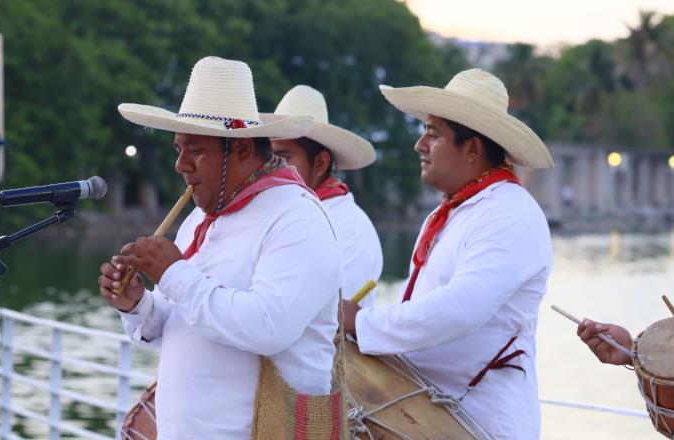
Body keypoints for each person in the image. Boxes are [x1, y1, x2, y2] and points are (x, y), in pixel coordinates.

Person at [98, 56, 341, 439]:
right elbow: (182, 322)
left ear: (242, 149)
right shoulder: (200, 217)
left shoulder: (297, 216)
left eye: (195, 150)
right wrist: (137, 303)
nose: (181, 165)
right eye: (178, 149)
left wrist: (173, 272)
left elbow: (268, 327)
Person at [341, 69, 556, 439]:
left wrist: (360, 323)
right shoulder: (456, 211)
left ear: (472, 149)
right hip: (424, 411)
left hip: (483, 424)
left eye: (433, 133)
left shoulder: (510, 214)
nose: (419, 145)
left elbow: (461, 308)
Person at [264, 85, 382, 305]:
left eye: (283, 157)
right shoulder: (300, 212)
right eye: (269, 158)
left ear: (320, 162)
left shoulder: (346, 225)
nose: (271, 168)